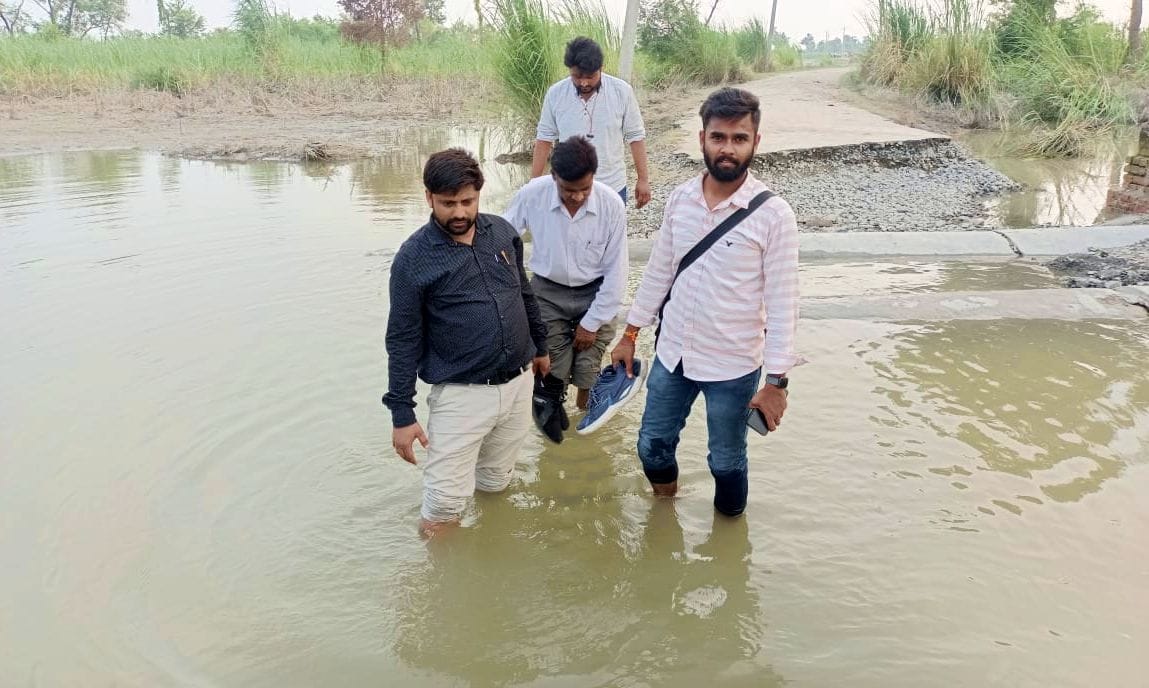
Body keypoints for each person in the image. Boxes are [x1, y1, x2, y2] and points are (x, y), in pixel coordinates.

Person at [610, 87, 801, 518]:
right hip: (672, 353)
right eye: (718, 137)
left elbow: (783, 303)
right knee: (651, 447)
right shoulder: (680, 200)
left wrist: (776, 383)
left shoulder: (774, 216)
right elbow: (659, 272)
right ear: (702, 140)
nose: (727, 149)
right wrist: (630, 334)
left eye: (739, 138)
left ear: (756, 142)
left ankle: (729, 538)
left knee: (726, 460)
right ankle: (664, 513)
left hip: (734, 365)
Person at [383, 148, 550, 537]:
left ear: (479, 193)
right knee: (442, 509)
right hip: (461, 395)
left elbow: (523, 293)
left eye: (467, 201)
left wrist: (540, 348)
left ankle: (492, 557)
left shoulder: (503, 232)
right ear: (428, 198)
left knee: (496, 482)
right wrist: (402, 416)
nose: (458, 212)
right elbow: (402, 338)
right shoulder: (413, 259)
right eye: (447, 203)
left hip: (518, 384)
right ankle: (444, 590)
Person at [504, 136, 628, 442]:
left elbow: (616, 274)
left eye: (584, 189)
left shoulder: (611, 204)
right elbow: (503, 239)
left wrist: (591, 323)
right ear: (554, 176)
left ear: (594, 178)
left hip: (595, 292)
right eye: (568, 190)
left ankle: (587, 426)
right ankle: (554, 429)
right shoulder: (532, 194)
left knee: (588, 369)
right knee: (552, 371)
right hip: (547, 292)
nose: (576, 197)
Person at [531, 36, 652, 208]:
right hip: (569, 188)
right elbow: (544, 139)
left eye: (590, 76)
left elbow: (636, 137)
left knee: (611, 235)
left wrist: (643, 180)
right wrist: (533, 185)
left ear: (601, 68)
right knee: (570, 235)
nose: (584, 82)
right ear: (570, 70)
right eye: (577, 76)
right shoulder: (555, 94)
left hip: (612, 187)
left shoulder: (621, 92)